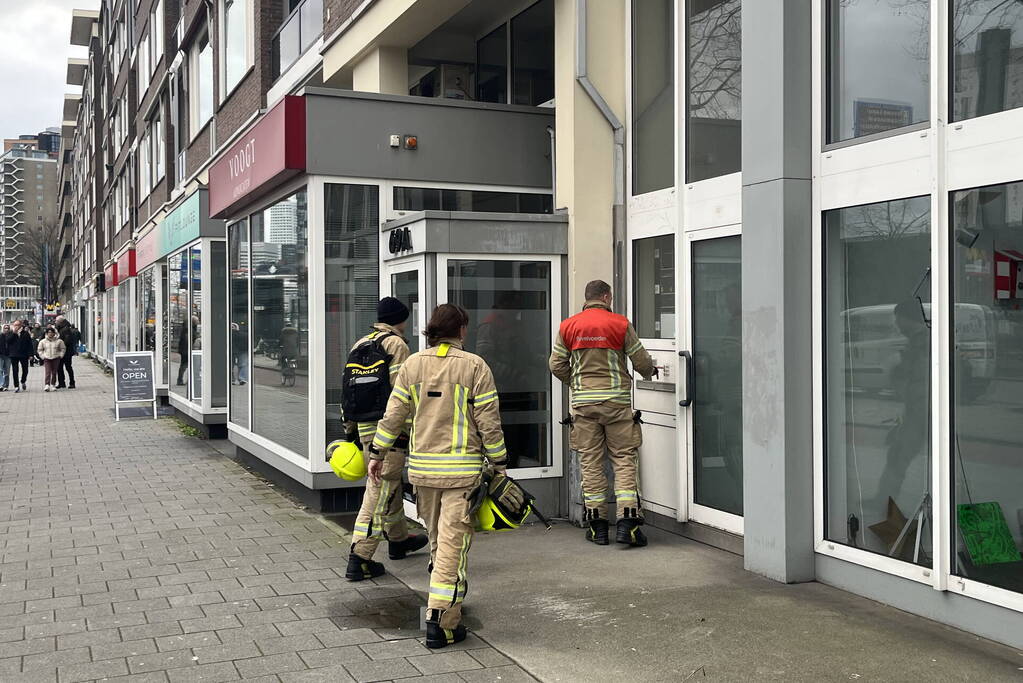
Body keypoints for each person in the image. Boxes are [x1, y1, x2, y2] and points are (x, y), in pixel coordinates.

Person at [368, 303, 508, 649]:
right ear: (461, 330)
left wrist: (377, 452)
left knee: (437, 540)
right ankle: (442, 622)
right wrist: (500, 463)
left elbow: (394, 415)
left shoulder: (413, 364)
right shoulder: (475, 366)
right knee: (452, 544)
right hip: (461, 474)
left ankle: (442, 603)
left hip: (424, 472)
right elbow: (489, 423)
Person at [549, 280, 656, 547]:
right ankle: (627, 523)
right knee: (623, 459)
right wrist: (649, 372)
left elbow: (555, 364)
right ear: (606, 297)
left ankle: (597, 526)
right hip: (616, 404)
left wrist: (576, 383)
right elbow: (640, 359)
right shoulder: (620, 324)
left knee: (591, 463)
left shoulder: (568, 326)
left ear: (587, 299)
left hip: (584, 406)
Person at [343, 297, 428, 582]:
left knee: (388, 483)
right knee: (379, 491)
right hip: (388, 430)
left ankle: (399, 540)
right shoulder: (397, 345)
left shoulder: (361, 343)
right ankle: (360, 558)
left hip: (365, 427)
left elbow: (348, 391)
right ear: (401, 320)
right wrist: (409, 427)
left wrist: (349, 430)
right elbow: (400, 394)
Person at [8, 320, 38, 393]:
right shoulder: (11, 333)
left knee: (25, 370)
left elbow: (29, 344)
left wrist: (31, 354)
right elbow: (8, 341)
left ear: (21, 325)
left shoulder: (25, 333)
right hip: (14, 354)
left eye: (18, 325)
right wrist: (14, 334)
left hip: (23, 354)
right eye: (15, 325)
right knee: (15, 371)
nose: (16, 326)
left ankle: (23, 381)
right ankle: (16, 386)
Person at [55, 315, 80, 389]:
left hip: (67, 352)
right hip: (62, 351)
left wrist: (60, 345)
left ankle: (71, 382)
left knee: (68, 367)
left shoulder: (66, 329)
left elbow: (67, 340)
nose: (55, 322)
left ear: (60, 321)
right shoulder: (61, 328)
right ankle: (61, 382)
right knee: (60, 367)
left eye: (56, 321)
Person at [37, 326, 66, 392]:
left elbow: (63, 349)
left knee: (54, 372)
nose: (50, 334)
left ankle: (53, 384)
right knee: (48, 372)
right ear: (46, 333)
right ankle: (47, 384)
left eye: (51, 332)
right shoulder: (43, 341)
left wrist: (61, 355)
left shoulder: (59, 341)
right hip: (47, 358)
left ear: (54, 333)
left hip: (56, 358)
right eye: (49, 332)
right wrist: (42, 356)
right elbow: (39, 350)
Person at [0, 323, 12, 391]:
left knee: (7, 371)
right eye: (5, 328)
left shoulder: (11, 336)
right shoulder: (0, 336)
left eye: (7, 328)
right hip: (1, 355)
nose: (6, 329)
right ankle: (1, 385)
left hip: (8, 356)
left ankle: (6, 385)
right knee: (0, 370)